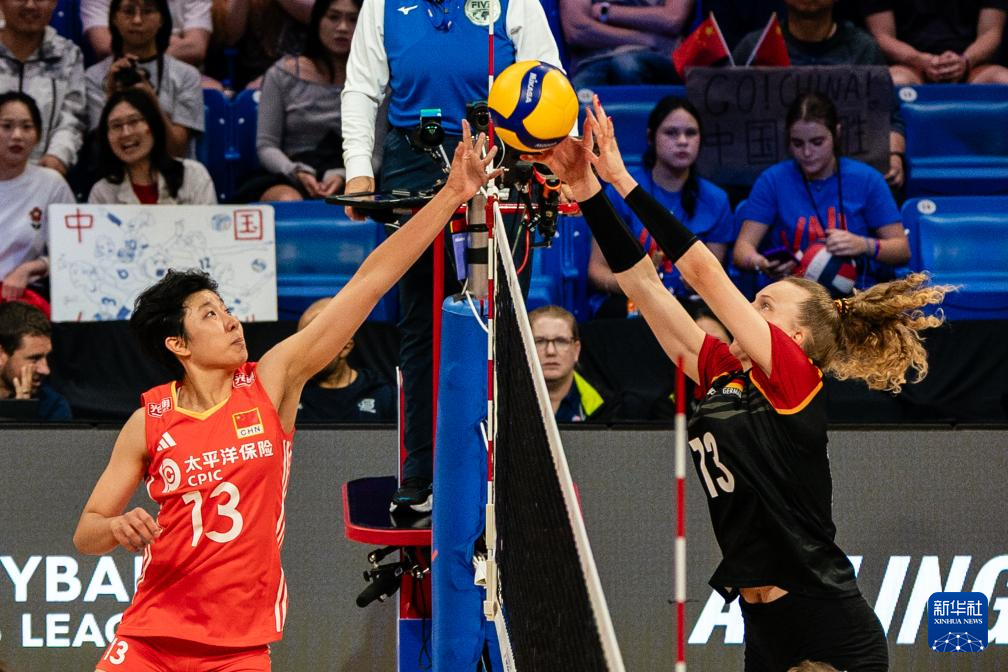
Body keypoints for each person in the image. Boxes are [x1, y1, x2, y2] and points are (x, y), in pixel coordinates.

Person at [534, 95, 951, 672]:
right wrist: (587, 190)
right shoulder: (723, 372)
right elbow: (646, 288)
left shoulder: (795, 378)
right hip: (765, 625)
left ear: (796, 338)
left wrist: (624, 181)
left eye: (764, 306)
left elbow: (704, 274)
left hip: (826, 617)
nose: (749, 311)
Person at [72, 123, 499, 671]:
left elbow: (368, 282)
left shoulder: (271, 380)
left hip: (237, 650)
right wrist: (114, 528)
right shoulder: (149, 420)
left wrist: (452, 195)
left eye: (226, 308)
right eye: (210, 315)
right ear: (178, 344)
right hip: (149, 638)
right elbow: (87, 531)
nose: (231, 321)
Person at [340, 0, 562, 512]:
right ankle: (420, 474)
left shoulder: (514, 3)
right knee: (420, 324)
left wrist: (554, 160)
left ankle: (501, 472)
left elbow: (548, 81)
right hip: (412, 159)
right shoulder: (382, 4)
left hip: (499, 156)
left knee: (501, 324)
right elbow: (361, 88)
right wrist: (358, 169)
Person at [733, 92, 910, 297]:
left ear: (836, 133)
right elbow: (742, 249)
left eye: (817, 142)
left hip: (858, 295)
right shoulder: (773, 180)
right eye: (797, 143)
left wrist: (863, 245)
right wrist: (760, 263)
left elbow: (901, 250)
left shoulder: (867, 180)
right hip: (793, 296)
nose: (807, 153)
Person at [731, 0, 907, 189]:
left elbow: (890, 118)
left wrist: (893, 156)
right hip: (770, 185)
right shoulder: (754, 48)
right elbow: (729, 120)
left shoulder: (863, 49)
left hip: (846, 185)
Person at [587, 96, 734, 317]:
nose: (682, 141)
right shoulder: (620, 190)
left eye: (691, 133)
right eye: (671, 133)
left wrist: (697, 282)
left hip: (689, 307)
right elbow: (596, 271)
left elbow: (714, 279)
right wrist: (639, 288)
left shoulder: (716, 200)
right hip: (632, 302)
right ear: (651, 137)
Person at [235, 0, 364, 202]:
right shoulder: (281, 74)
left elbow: (376, 152)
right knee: (288, 199)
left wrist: (344, 175)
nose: (342, 27)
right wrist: (295, 171)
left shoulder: (374, 79)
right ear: (317, 21)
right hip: (290, 172)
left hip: (354, 175)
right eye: (333, 17)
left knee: (359, 200)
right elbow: (266, 145)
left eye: (353, 20)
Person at [85, 0, 205, 159]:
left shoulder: (186, 75)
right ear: (114, 18)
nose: (137, 20)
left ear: (162, 19)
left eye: (147, 11)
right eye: (128, 12)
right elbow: (100, 153)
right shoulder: (94, 76)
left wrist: (151, 101)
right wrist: (111, 96)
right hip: (116, 172)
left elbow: (177, 151)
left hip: (171, 170)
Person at [0, 92, 76, 302]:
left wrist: (29, 268)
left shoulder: (52, 183)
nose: (17, 135)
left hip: (23, 297)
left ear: (39, 135)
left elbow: (72, 251)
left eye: (27, 127)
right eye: (6, 126)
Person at [0, 0, 85, 177]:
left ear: (54, 3)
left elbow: (73, 117)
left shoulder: (67, 54)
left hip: (45, 177)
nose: (30, 5)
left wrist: (58, 156)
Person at [89, 88, 217, 204]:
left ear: (153, 124)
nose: (126, 133)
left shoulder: (193, 175)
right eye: (116, 126)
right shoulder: (102, 193)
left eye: (134, 121)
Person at [295, 297, 395, 422]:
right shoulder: (289, 396)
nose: (304, 350)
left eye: (314, 341)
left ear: (346, 347)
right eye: (300, 342)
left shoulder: (382, 394)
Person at [864, 0, 1008, 84]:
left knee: (1004, 80)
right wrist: (920, 60)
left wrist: (965, 61)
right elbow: (882, 35)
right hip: (909, 66)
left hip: (973, 65)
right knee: (888, 84)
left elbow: (991, 32)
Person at [559, 0, 692, 88]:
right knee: (568, 101)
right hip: (592, 62)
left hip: (655, 59)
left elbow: (672, 19)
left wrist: (607, 12)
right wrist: (650, 40)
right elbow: (577, 29)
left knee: (625, 65)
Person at [529, 305, 607, 422]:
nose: (550, 351)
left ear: (576, 350)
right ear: (525, 347)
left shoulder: (605, 406)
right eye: (539, 341)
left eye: (561, 341)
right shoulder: (505, 401)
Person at [82, 0, 214, 68]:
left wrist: (133, 42)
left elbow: (195, 49)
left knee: (213, 94)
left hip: (178, 72)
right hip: (117, 73)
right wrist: (167, 41)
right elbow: (105, 47)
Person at [0, 302, 72, 421]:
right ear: (1, 355)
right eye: (35, 358)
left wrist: (24, 417)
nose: (46, 370)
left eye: (46, 357)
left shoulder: (53, 406)